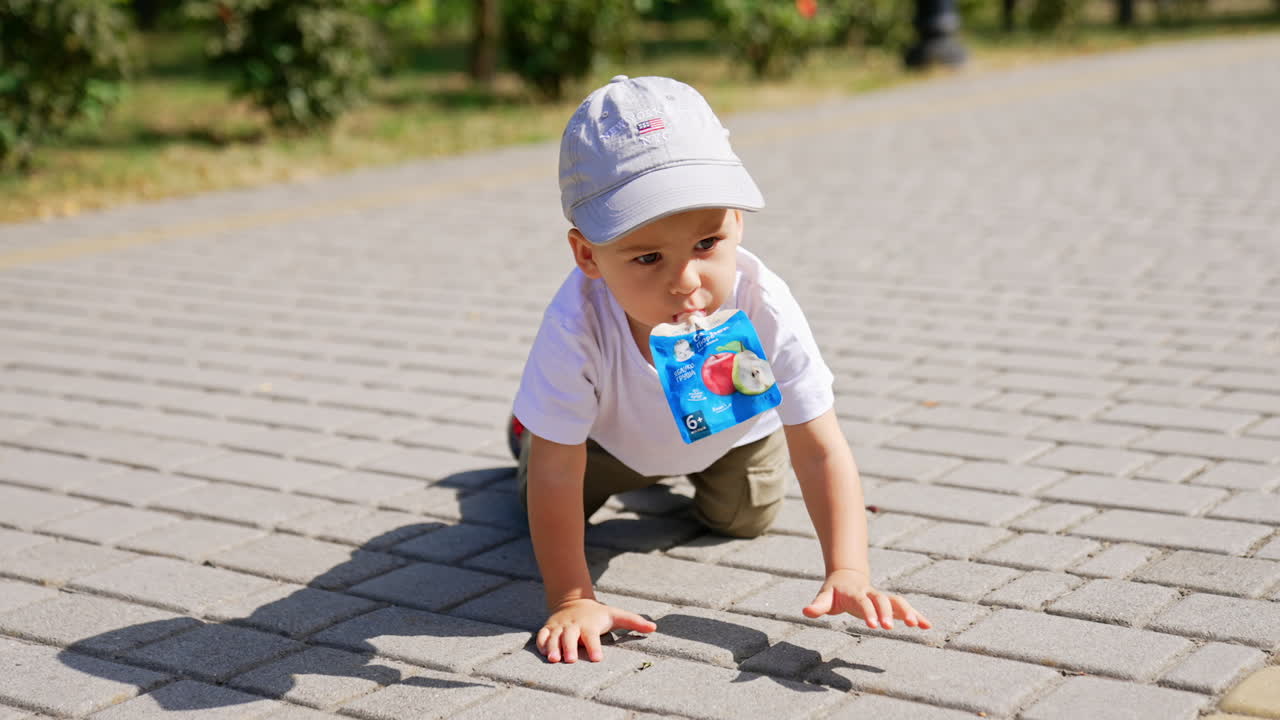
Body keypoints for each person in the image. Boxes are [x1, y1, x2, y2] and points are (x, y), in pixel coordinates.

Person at [511, 75, 931, 664]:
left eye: (707, 243)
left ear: (737, 222)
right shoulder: (574, 326)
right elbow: (560, 476)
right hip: (601, 443)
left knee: (747, 518)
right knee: (540, 501)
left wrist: (848, 568)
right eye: (649, 257)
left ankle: (661, 472)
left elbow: (820, 446)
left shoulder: (765, 303)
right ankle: (531, 425)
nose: (686, 281)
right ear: (588, 256)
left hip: (731, 439)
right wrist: (573, 598)